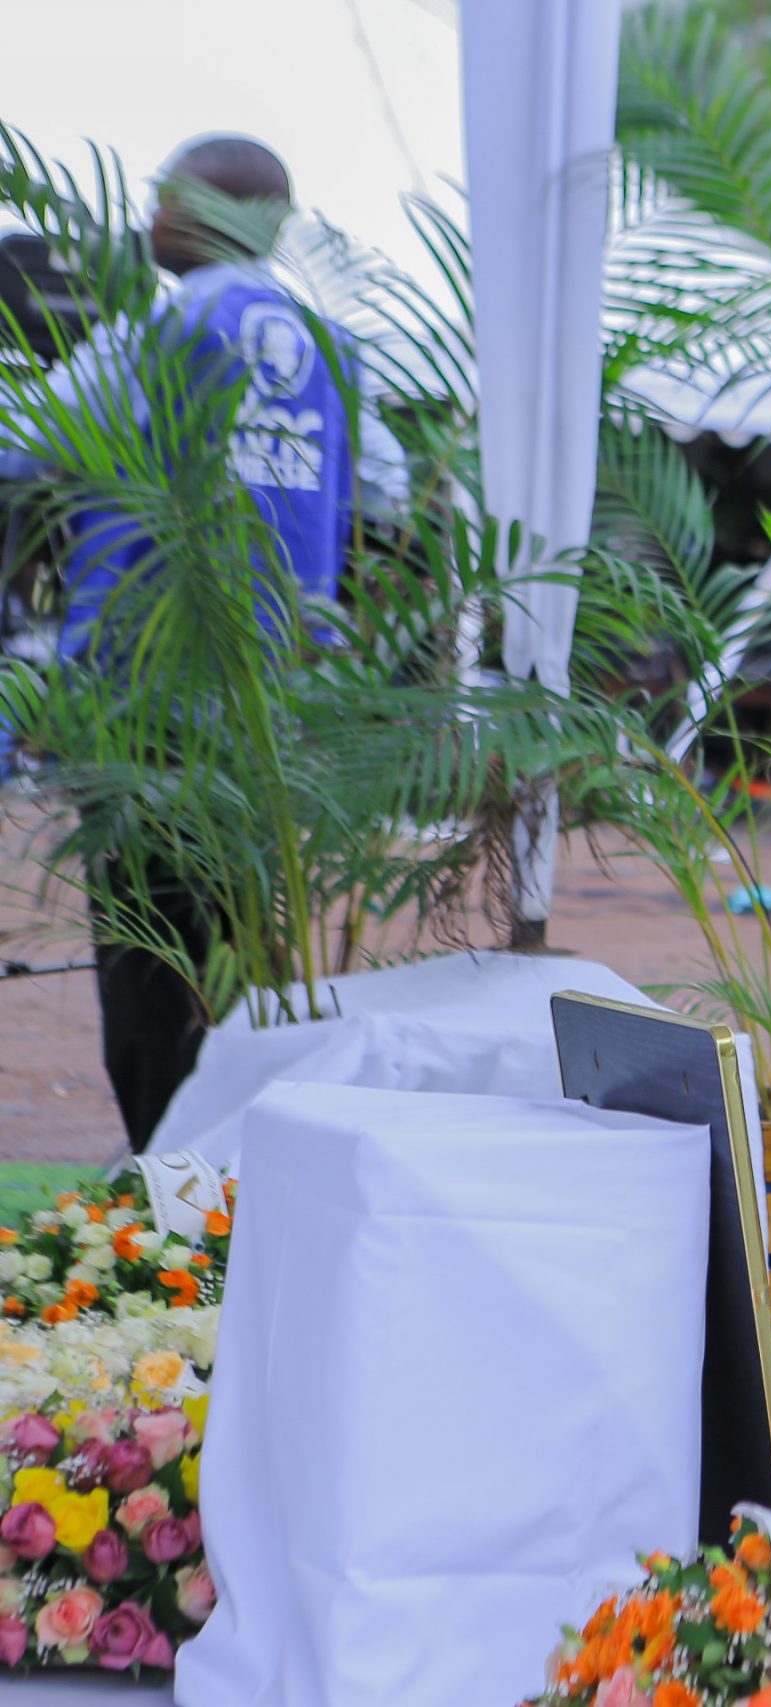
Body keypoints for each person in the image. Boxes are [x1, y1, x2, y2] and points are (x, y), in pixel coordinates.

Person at [0, 135, 405, 1147]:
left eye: (166, 200)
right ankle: (233, 1172)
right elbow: (385, 495)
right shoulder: (332, 347)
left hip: (146, 705)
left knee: (150, 961)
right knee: (238, 948)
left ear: (216, 213)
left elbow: (27, 444)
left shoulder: (168, 324)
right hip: (274, 715)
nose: (150, 221)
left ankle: (169, 1182)